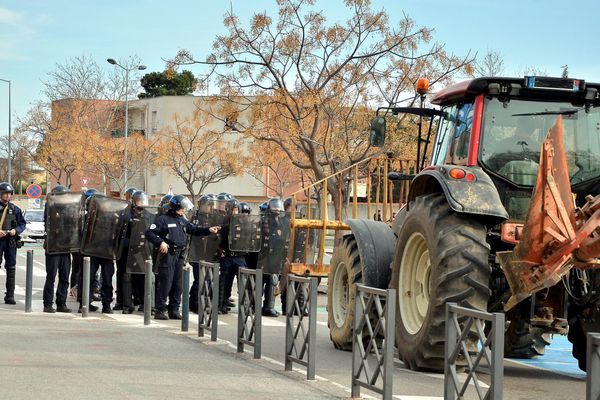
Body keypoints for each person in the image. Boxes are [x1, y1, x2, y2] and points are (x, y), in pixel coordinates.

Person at [146, 194, 220, 320]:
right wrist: (161, 242)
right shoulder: (162, 219)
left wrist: (209, 230)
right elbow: (150, 233)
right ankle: (160, 309)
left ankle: (174, 308)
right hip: (168, 254)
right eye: (182, 208)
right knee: (166, 282)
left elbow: (194, 230)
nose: (184, 210)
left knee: (178, 284)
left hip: (180, 255)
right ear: (176, 207)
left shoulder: (182, 220)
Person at [42, 185, 73, 313]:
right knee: (51, 276)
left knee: (65, 277)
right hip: (53, 247)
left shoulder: (70, 209)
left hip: (66, 246)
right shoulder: (50, 208)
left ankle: (61, 303)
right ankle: (48, 303)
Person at [0, 182, 26, 305]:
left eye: (9, 193)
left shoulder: (15, 209)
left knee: (11, 267)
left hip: (10, 241)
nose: (8, 196)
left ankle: (10, 295)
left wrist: (16, 230)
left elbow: (22, 224)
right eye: (5, 193)